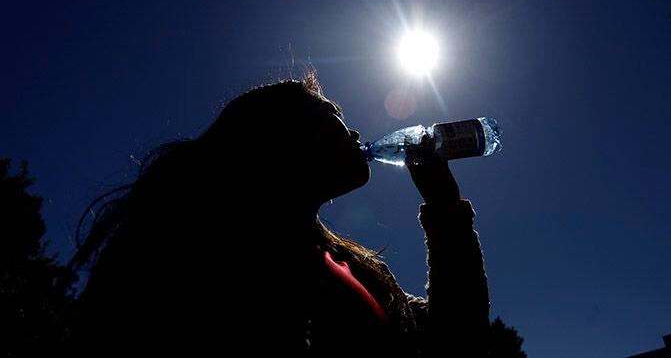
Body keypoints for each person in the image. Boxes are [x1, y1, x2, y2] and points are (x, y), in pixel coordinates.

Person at [68, 75, 490, 357]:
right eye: (333, 115)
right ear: (280, 139)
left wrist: (445, 206)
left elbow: (456, 340)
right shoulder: (213, 265)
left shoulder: (345, 264)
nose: (357, 133)